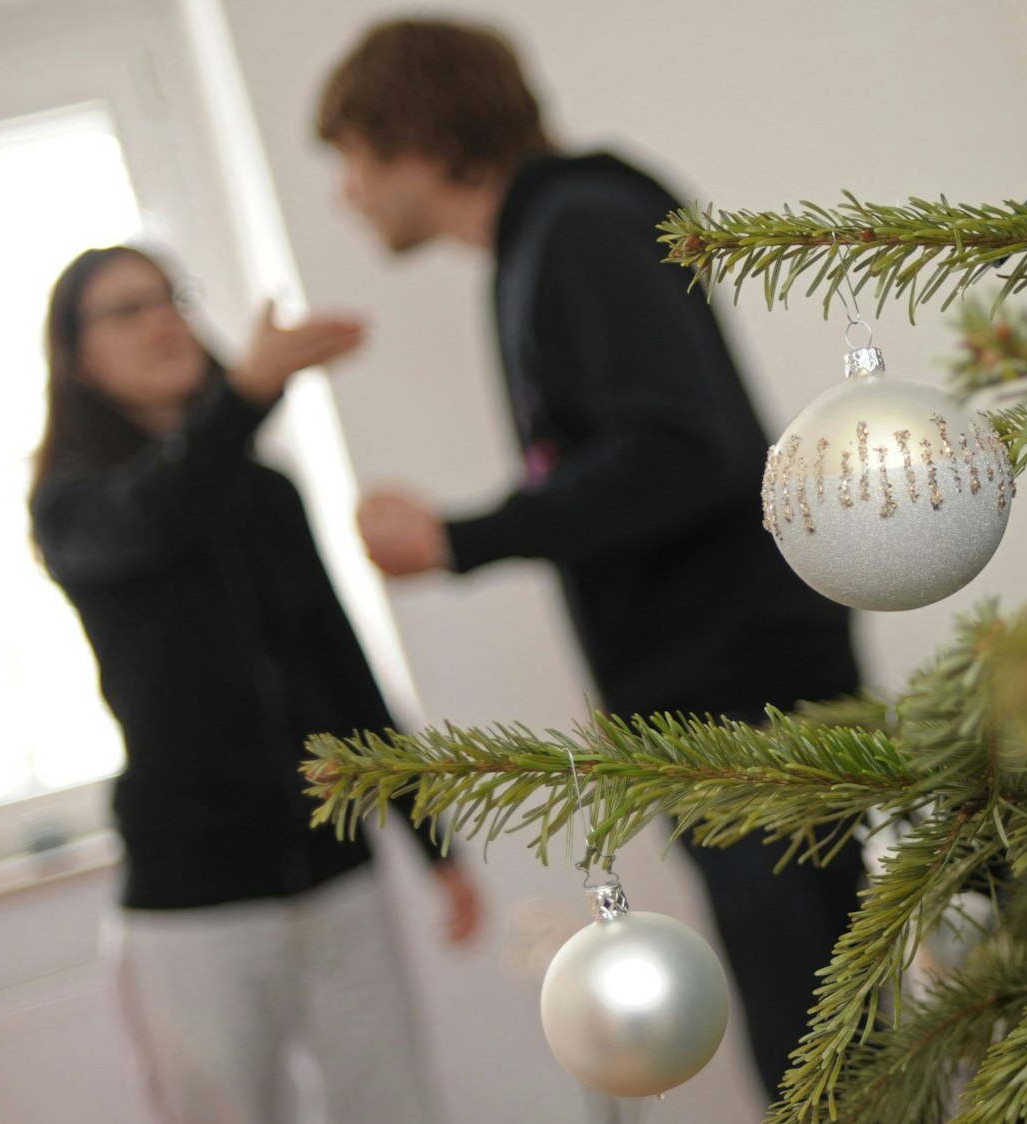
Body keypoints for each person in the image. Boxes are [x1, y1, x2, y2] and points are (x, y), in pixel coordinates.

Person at [315, 18, 866, 1103]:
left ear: (415, 143)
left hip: (740, 702)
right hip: (730, 691)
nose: (346, 193)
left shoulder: (574, 228)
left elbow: (683, 451)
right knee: (832, 1031)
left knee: (819, 1049)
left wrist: (459, 537)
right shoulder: (551, 234)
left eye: (353, 158)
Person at [28, 245, 481, 1124]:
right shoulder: (72, 505)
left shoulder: (265, 492)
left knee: (393, 1107)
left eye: (170, 298)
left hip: (336, 872)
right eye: (126, 310)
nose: (161, 320)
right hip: (193, 901)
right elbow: (158, 512)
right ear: (76, 358)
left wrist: (433, 842)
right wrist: (246, 392)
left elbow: (342, 667)